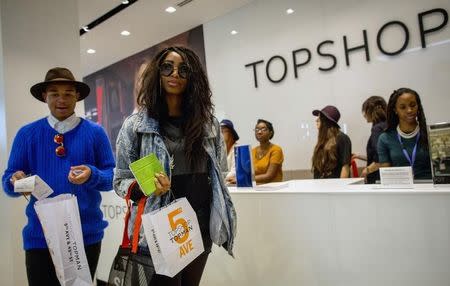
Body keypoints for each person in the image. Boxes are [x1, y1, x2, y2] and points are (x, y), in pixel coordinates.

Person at [113, 46, 236, 285]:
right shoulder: (136, 126)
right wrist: (146, 187)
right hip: (161, 226)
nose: (175, 74)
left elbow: (219, 172)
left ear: (194, 77)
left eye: (183, 69)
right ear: (156, 74)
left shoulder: (209, 125)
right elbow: (120, 181)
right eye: (167, 67)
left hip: (200, 224)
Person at [1, 67, 115, 285]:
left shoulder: (95, 133)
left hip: (85, 237)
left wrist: (92, 174)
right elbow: (8, 181)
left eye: (68, 93)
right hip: (40, 238)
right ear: (45, 96)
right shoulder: (27, 135)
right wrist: (15, 181)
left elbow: (112, 178)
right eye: (54, 93)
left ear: (77, 96)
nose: (61, 99)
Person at [377, 88, 432, 179]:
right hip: (401, 190)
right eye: (403, 107)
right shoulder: (385, 138)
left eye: (413, 105)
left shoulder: (430, 134)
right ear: (395, 110)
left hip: (430, 189)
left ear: (418, 106)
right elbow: (386, 177)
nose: (409, 110)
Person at [352, 96, 387, 183]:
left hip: (377, 179)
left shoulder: (377, 129)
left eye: (364, 111)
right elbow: (380, 156)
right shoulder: (386, 126)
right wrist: (358, 156)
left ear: (370, 111)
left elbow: (379, 159)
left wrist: (366, 171)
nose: (364, 115)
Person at [312, 105, 352, 179]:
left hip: (336, 187)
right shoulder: (323, 140)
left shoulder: (342, 138)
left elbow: (345, 167)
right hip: (321, 186)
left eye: (320, 118)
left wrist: (341, 188)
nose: (316, 120)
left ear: (326, 121)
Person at [252, 119, 284, 183]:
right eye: (257, 129)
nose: (259, 132)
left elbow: (269, 176)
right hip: (256, 190)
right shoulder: (252, 151)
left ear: (270, 133)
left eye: (263, 129)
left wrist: (244, 180)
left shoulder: (276, 150)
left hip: (273, 189)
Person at [220, 119, 239, 184]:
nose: (220, 134)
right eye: (219, 132)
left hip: (233, 186)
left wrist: (219, 178)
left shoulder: (237, 149)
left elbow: (235, 172)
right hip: (223, 184)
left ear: (231, 133)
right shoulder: (220, 150)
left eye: (223, 131)